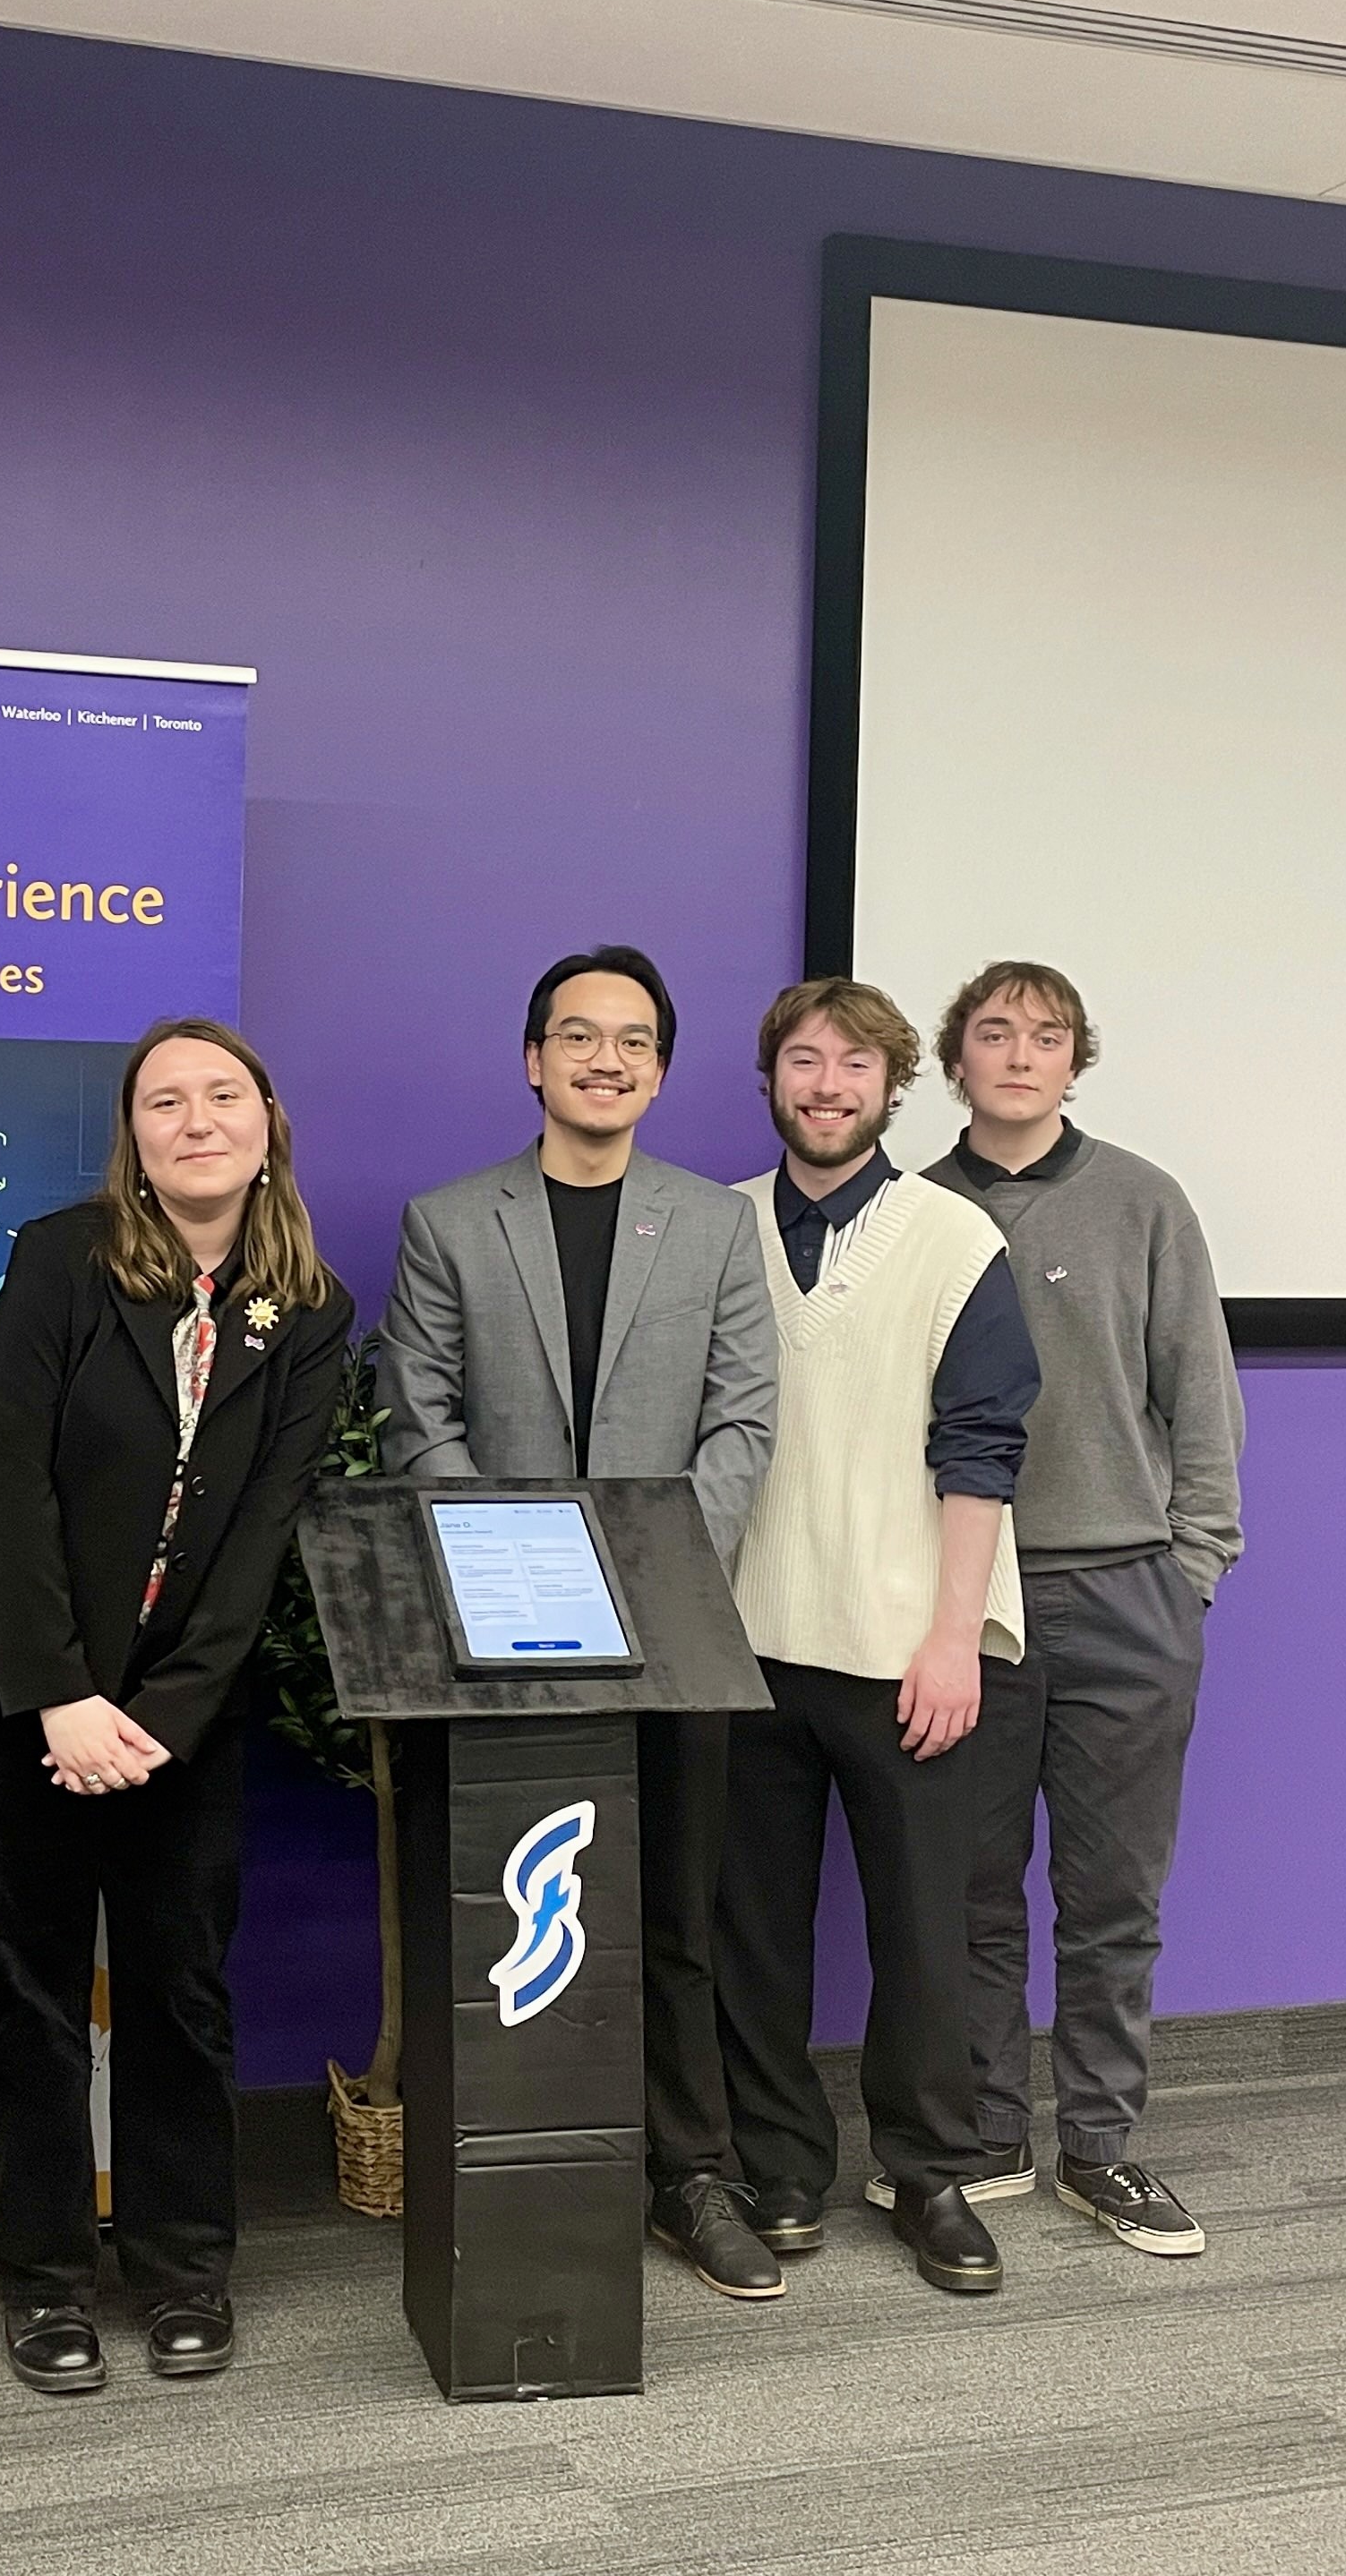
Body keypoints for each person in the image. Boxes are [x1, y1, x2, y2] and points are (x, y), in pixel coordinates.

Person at [0, 1018, 355, 2393]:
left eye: (224, 1095)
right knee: (34, 1998)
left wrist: (157, 1710)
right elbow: (14, 1490)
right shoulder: (61, 1254)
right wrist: (60, 1698)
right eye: (166, 1100)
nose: (197, 1119)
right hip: (20, 1695)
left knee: (181, 1992)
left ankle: (180, 2269)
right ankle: (44, 2282)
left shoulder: (314, 1310)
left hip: (180, 1716)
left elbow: (263, 1531)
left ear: (269, 1120)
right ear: (135, 1134)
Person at [373, 946, 784, 2300]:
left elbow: (741, 1420)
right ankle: (504, 2170)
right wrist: (511, 1576)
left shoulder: (719, 1228)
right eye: (577, 1037)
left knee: (670, 1913)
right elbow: (416, 1417)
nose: (605, 1061)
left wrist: (657, 1576)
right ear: (534, 1060)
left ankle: (691, 2176)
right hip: (499, 1639)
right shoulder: (451, 1221)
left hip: (674, 1633)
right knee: (505, 1913)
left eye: (633, 1043)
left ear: (659, 1070)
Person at [710, 977, 1040, 2296]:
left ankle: (928, 2174)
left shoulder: (954, 1241)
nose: (828, 1085)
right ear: (772, 1078)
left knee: (920, 1933)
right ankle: (780, 2169)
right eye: (805, 1061)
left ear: (895, 1086)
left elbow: (982, 1450)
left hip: (912, 1647)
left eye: (855, 1065)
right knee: (752, 1934)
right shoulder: (714, 1230)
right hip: (744, 1641)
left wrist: (956, 1637)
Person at [924, 961, 1242, 2258]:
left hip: (1126, 1594)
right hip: (971, 1602)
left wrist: (1194, 1564)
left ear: (1074, 1060)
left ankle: (1101, 2148)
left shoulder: (1143, 1202)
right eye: (993, 1033)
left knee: (1113, 1898)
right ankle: (988, 2135)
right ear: (955, 1060)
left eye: (1044, 1035)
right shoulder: (913, 1211)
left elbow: (1200, 1395)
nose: (1018, 1054)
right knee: (973, 1891)